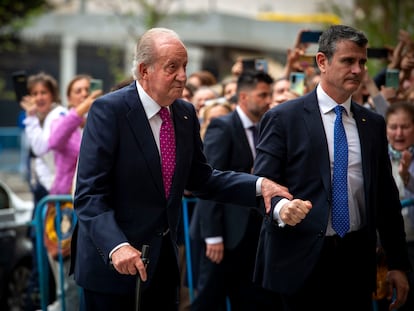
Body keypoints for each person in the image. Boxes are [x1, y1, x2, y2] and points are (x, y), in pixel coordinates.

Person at [70, 27, 292, 311]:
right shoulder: (109, 111)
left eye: (185, 66)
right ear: (144, 70)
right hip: (112, 267)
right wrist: (117, 246)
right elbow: (90, 194)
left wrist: (260, 186)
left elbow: (203, 178)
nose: (183, 76)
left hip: (161, 266)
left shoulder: (185, 114)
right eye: (172, 67)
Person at [252, 25, 411, 311]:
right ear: (322, 62)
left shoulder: (373, 124)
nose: (358, 70)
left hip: (355, 262)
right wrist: (281, 209)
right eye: (348, 61)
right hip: (298, 262)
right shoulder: (283, 119)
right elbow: (261, 184)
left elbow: (386, 200)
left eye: (362, 62)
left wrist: (398, 263)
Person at [190, 70, 279, 311]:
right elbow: (209, 181)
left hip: (252, 234)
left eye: (270, 94)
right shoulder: (222, 125)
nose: (268, 100)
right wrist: (213, 235)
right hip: (221, 235)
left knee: (250, 299)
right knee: (209, 300)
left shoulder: (265, 127)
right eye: (262, 95)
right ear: (243, 97)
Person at [20, 72, 67, 310]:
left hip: (57, 196)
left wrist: (29, 118)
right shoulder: (44, 117)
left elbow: (42, 147)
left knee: (56, 258)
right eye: (35, 93)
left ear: (53, 95)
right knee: (47, 257)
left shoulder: (57, 116)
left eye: (43, 93)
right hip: (49, 196)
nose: (39, 98)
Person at [384, 101, 414, 311]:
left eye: (405, 126)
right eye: (393, 127)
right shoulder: (376, 156)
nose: (399, 133)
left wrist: (407, 177)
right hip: (384, 246)